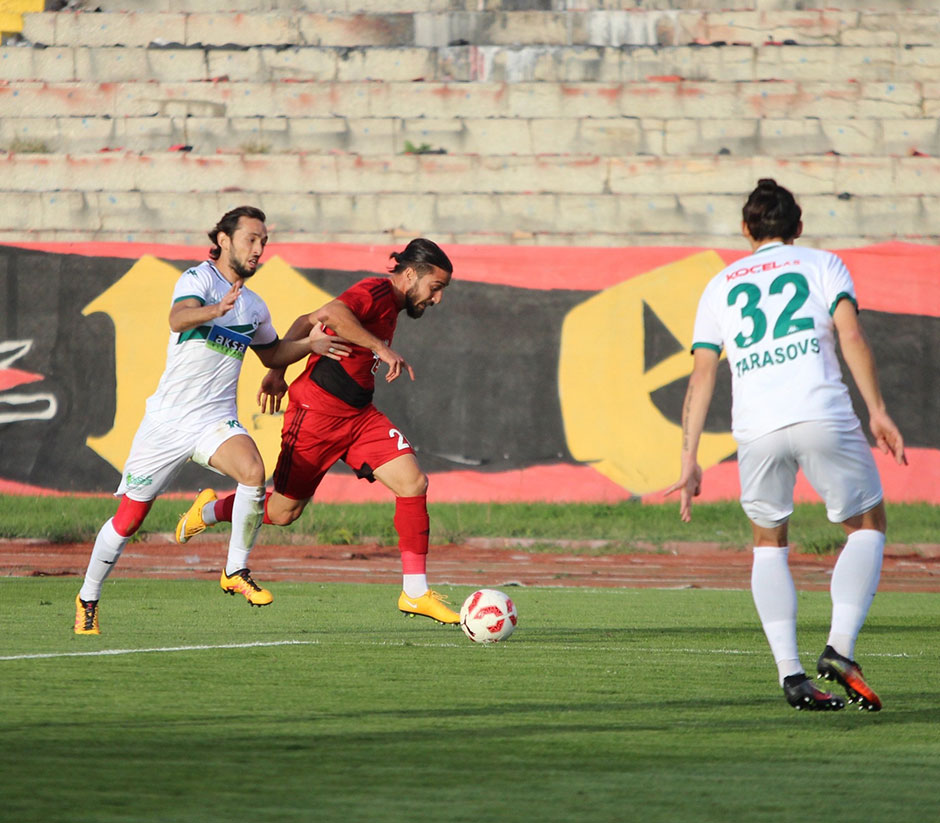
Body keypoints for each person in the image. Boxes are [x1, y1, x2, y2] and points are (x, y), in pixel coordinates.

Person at [666, 179, 907, 711]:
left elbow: (702, 374)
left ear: (746, 230)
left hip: (757, 428)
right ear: (798, 228)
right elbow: (851, 338)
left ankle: (791, 675)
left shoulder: (720, 284)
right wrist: (879, 410)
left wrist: (690, 457)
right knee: (866, 526)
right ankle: (840, 649)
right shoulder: (824, 265)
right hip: (822, 411)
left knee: (768, 541)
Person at [74, 205, 335, 635]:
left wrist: (309, 344)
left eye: (264, 241)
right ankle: (88, 596)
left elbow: (271, 354)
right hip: (167, 422)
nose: (259, 248)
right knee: (129, 521)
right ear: (225, 239)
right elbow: (177, 318)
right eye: (251, 239)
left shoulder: (253, 305)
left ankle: (235, 570)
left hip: (213, 419)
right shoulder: (196, 280)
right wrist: (215, 310)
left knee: (253, 471)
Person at [175, 238, 460, 624]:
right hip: (316, 413)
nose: (436, 299)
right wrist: (380, 348)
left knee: (413, 484)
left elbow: (309, 320)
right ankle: (208, 511)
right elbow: (331, 313)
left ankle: (415, 593)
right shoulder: (376, 291)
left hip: (359, 416)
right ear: (410, 275)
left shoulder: (392, 304)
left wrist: (277, 371)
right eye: (435, 288)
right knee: (282, 510)